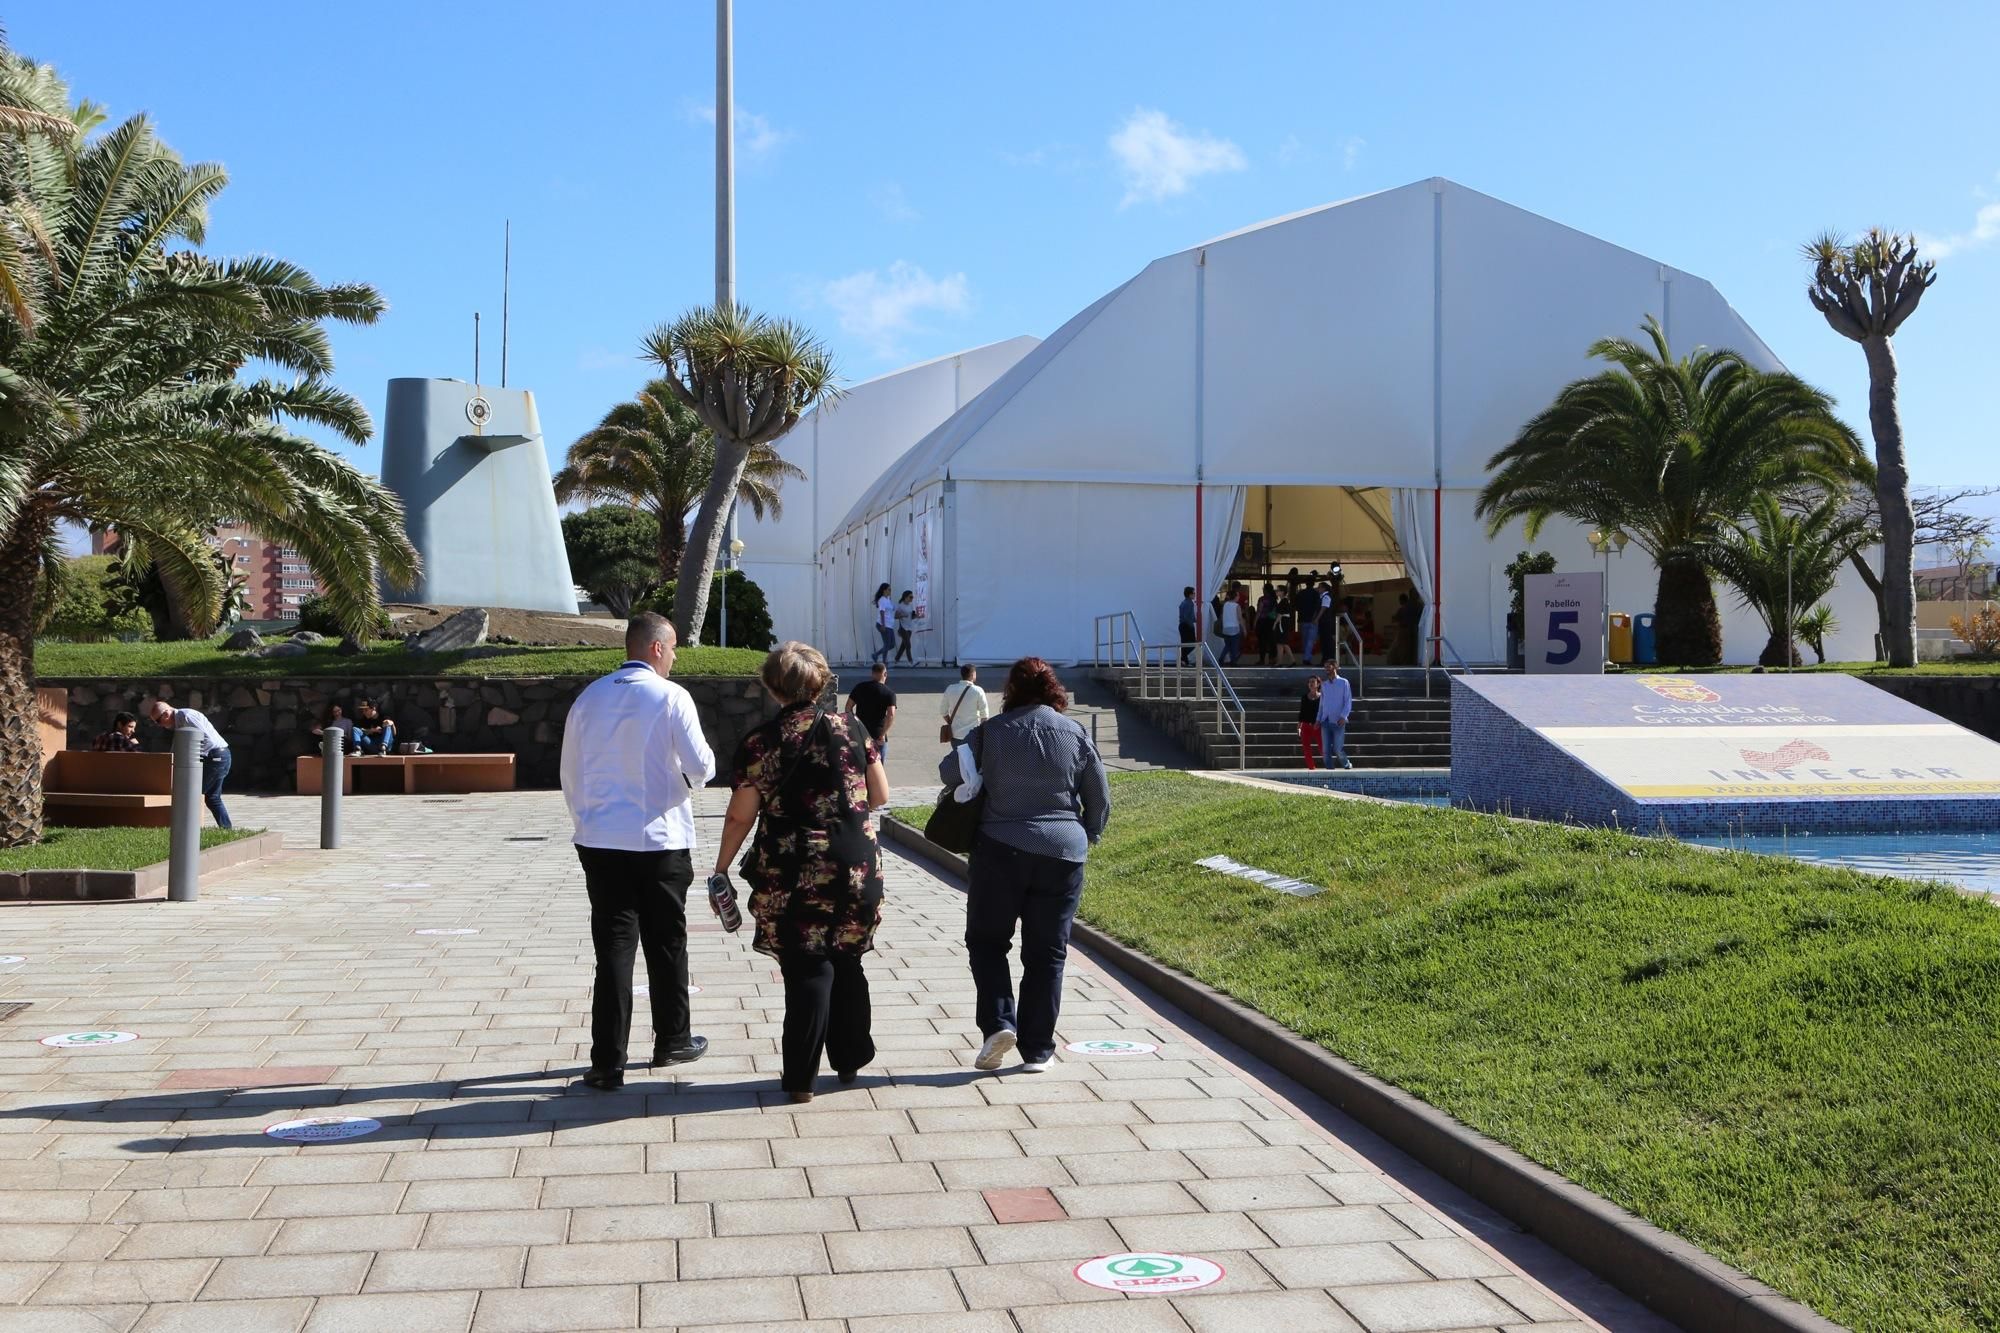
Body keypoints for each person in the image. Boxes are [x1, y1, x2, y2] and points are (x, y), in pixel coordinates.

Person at [713, 642, 889, 1102]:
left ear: (773, 687)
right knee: (846, 956)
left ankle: (800, 1079)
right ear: (820, 682)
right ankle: (850, 1058)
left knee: (807, 964)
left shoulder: (760, 742)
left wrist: (722, 866)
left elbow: (740, 816)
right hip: (856, 863)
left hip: (793, 869)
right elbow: (880, 795)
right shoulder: (852, 728)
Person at [559, 612, 717, 1091]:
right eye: (673, 649)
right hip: (659, 839)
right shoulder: (671, 696)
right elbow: (701, 766)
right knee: (666, 941)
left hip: (601, 840)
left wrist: (587, 820)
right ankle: (673, 1038)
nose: (674, 658)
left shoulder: (589, 697)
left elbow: (570, 773)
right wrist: (691, 777)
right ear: (656, 648)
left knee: (613, 947)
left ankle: (607, 1061)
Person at [941, 658, 1110, 1074]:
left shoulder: (990, 732)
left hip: (1000, 848)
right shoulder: (1075, 732)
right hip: (1063, 852)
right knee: (1048, 952)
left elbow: (949, 771)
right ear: (1054, 690)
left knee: (987, 942)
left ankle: (1000, 1023)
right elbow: (1098, 794)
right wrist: (1088, 833)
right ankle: (1037, 1051)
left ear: (1011, 690)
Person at [146, 700, 231, 828]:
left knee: (191, 794)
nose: (159, 725)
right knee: (212, 797)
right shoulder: (180, 722)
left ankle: (185, 828)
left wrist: (191, 759)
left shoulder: (186, 716)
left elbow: (208, 740)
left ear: (166, 714)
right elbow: (177, 747)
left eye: (158, 721)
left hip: (215, 757)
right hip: (217, 756)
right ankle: (226, 828)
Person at [846, 662, 897, 761]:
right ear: (885, 674)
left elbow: (848, 707)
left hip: (860, 732)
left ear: (872, 674)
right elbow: (891, 714)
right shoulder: (889, 693)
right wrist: (882, 734)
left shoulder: (860, 687)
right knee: (878, 765)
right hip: (877, 734)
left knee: (860, 763)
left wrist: (854, 724)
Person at [1317, 661, 1355, 770]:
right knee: (1325, 750)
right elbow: (1321, 704)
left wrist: (1344, 716)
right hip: (1325, 720)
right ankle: (1329, 770)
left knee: (1338, 749)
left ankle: (1346, 764)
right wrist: (1318, 719)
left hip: (1338, 721)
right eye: (1325, 667)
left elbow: (1348, 701)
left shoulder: (1344, 682)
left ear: (1335, 667)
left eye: (1329, 667)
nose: (1327, 669)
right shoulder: (1324, 685)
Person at [941, 664, 989, 744]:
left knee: (957, 752)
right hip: (973, 735)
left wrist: (951, 723)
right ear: (973, 675)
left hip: (955, 734)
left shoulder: (950, 689)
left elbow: (943, 711)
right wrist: (981, 733)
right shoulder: (978, 691)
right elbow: (984, 716)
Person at [1296, 674, 1321, 770]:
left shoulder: (1322, 697)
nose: (1311, 684)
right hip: (1306, 726)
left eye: (1313, 682)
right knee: (1306, 748)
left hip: (1318, 725)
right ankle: (1311, 767)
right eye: (1309, 682)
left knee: (1322, 747)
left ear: (1318, 684)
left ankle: (1328, 765)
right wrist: (1299, 726)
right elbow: (1302, 712)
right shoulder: (1304, 697)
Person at [1297, 579, 1322, 664]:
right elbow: (1317, 606)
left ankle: (1306, 656)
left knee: (1304, 640)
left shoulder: (1301, 593)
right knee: (1310, 640)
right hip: (1312, 619)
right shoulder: (1315, 594)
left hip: (1302, 619)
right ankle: (1306, 658)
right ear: (1313, 584)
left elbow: (1296, 605)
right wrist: (1315, 618)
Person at [1218, 582, 1243, 665]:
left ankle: (1221, 658)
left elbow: (1222, 616)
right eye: (1238, 595)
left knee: (1227, 645)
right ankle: (1233, 661)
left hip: (1226, 628)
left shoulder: (1225, 605)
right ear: (1235, 597)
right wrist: (1244, 628)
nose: (1239, 597)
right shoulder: (1237, 606)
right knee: (1234, 645)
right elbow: (1240, 618)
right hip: (1234, 628)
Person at [871, 583, 896, 665]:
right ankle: (884, 662)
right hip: (884, 624)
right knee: (887, 644)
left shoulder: (888, 599)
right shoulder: (882, 600)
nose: (890, 591)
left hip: (889, 625)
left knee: (892, 644)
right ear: (884, 590)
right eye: (889, 589)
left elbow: (892, 609)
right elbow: (882, 612)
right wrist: (883, 625)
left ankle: (875, 655)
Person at [1255, 585, 1279, 667]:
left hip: (1263, 621)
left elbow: (1259, 611)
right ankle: (1272, 659)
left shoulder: (1262, 599)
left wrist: (1255, 622)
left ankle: (1262, 659)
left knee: (1262, 641)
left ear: (1265, 590)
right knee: (1272, 640)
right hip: (1272, 621)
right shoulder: (1274, 599)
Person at [1177, 586, 1198, 666]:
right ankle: (1185, 660)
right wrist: (1191, 624)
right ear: (1190, 594)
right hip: (1187, 626)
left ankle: (1184, 660)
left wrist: (1194, 619)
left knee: (1185, 643)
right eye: (1194, 593)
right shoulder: (1189, 603)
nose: (1195, 595)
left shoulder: (1183, 602)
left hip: (1182, 625)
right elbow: (1186, 617)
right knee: (1191, 644)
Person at [893, 590, 916, 664]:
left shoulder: (911, 605)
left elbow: (911, 617)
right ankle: (910, 661)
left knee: (904, 645)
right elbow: (895, 616)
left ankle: (896, 659)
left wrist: (917, 616)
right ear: (905, 597)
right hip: (903, 628)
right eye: (910, 597)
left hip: (909, 628)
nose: (912, 598)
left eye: (912, 597)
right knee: (908, 645)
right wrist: (903, 615)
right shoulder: (900, 605)